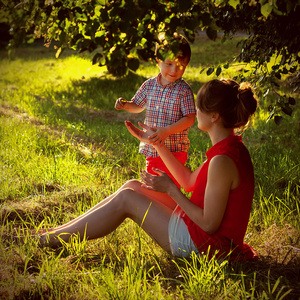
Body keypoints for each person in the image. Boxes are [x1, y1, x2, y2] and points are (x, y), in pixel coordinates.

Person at [39, 78, 258, 262]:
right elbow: (190, 181)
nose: (195, 111)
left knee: (127, 199)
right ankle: (52, 234)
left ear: (214, 116)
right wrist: (157, 143)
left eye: (199, 107)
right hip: (202, 236)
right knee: (132, 186)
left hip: (205, 247)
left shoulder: (222, 160)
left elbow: (209, 224)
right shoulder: (229, 148)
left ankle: (49, 239)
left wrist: (172, 190)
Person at [114, 32, 196, 188]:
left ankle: (169, 210)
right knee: (152, 186)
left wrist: (166, 131)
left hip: (174, 151)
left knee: (169, 187)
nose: (174, 70)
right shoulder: (149, 85)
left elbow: (189, 118)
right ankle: (151, 209)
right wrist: (125, 105)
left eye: (181, 66)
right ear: (158, 61)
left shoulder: (183, 90)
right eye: (169, 63)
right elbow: (137, 106)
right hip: (152, 148)